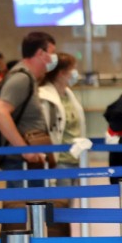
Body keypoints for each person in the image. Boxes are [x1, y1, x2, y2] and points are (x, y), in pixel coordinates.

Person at [0, 32, 58, 187]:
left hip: (29, 160)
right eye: (52, 53)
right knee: (23, 206)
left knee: (35, 207)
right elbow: (0, 113)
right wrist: (25, 150)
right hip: (21, 161)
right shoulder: (21, 78)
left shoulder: (28, 78)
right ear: (41, 53)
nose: (54, 58)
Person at [38, 52, 86, 187]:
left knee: (71, 203)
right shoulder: (44, 97)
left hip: (76, 159)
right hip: (60, 161)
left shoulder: (69, 95)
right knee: (60, 203)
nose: (74, 73)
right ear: (60, 73)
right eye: (72, 69)